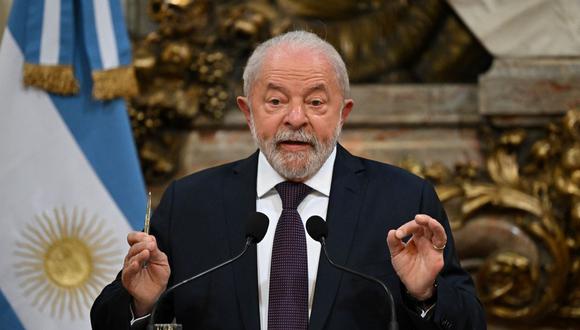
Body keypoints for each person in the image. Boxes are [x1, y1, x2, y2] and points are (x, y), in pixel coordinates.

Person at [91, 30, 486, 330]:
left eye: (315, 102)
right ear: (248, 112)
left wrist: (425, 296)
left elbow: (471, 322)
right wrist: (141, 305)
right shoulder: (190, 203)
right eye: (276, 101)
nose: (296, 118)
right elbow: (106, 319)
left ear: (342, 113)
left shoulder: (403, 199)